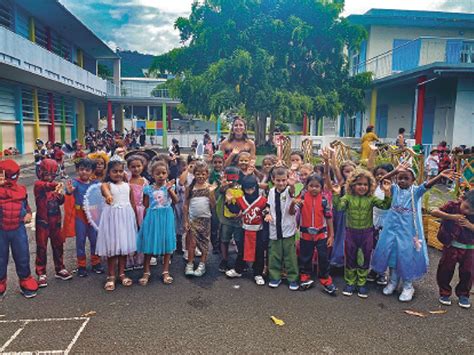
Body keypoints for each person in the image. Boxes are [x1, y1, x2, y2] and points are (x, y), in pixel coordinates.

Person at [371, 165, 457, 302]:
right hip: (391, 230)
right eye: (400, 178)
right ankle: (393, 281)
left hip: (408, 233)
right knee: (392, 254)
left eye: (406, 178)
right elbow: (383, 179)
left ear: (413, 180)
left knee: (406, 257)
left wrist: (440, 176)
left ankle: (407, 286)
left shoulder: (416, 192)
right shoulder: (394, 189)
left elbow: (427, 185)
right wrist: (395, 170)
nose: (402, 181)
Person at [331, 168, 392, 298]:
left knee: (365, 256)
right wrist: (336, 194)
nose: (362, 187)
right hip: (351, 233)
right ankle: (350, 282)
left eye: (365, 184)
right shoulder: (347, 197)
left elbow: (385, 206)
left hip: (367, 233)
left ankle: (362, 283)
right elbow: (339, 207)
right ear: (352, 185)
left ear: (370, 186)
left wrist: (387, 193)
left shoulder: (371, 198)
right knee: (350, 256)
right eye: (359, 184)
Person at [96, 158, 138, 291]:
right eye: (115, 171)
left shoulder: (128, 185)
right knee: (112, 249)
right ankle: (111, 275)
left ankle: (122, 273)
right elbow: (106, 193)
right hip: (112, 221)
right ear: (109, 172)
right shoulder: (106, 185)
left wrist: (135, 220)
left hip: (126, 219)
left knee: (123, 248)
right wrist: (108, 197)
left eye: (121, 171)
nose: (118, 174)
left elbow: (132, 203)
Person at [0, 160, 38, 298]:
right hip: (1, 230)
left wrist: (28, 214)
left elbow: (26, 206)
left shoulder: (21, 190)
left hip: (18, 229)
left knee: (22, 255)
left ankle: (25, 280)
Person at [137, 161, 178, 286]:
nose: (161, 176)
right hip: (153, 218)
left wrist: (170, 190)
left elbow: (175, 201)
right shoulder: (148, 188)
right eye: (158, 173)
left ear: (167, 174)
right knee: (149, 243)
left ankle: (165, 271)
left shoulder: (170, 187)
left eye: (164, 173)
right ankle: (146, 271)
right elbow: (145, 204)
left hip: (166, 217)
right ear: (152, 175)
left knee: (167, 243)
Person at [432, 190, 474, 309]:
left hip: (470, 247)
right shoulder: (452, 206)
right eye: (466, 207)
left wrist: (470, 226)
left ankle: (463, 294)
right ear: (462, 199)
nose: (467, 212)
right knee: (446, 268)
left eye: (471, 211)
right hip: (451, 245)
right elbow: (434, 212)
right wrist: (450, 217)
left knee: (468, 272)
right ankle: (444, 292)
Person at [295, 174, 336, 294]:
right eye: (311, 186)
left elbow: (329, 218)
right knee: (305, 256)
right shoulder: (302, 197)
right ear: (306, 186)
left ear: (321, 188)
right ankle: (305, 276)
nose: (314, 188)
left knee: (323, 257)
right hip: (305, 234)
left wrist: (331, 235)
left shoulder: (324, 200)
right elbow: (294, 213)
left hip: (321, 235)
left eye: (317, 186)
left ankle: (325, 279)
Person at [34, 159, 71, 288]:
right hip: (42, 221)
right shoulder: (39, 185)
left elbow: (60, 201)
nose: (49, 177)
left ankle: (60, 268)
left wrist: (61, 194)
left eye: (52, 175)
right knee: (41, 247)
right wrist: (56, 185)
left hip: (55, 221)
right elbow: (45, 186)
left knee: (58, 245)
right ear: (41, 173)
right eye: (47, 174)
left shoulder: (55, 187)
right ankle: (41, 272)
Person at [225, 175, 268, 284]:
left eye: (252, 188)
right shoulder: (240, 200)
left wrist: (267, 213)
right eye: (247, 189)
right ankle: (238, 270)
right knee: (241, 251)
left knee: (259, 253)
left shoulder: (262, 200)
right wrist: (229, 202)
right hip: (245, 230)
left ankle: (257, 273)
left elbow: (266, 211)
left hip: (258, 231)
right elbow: (235, 210)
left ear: (256, 187)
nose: (250, 191)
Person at [65, 159, 104, 277]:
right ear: (77, 170)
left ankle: (96, 262)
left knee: (94, 239)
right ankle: (81, 265)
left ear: (92, 171)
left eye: (87, 170)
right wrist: (69, 191)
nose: (84, 172)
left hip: (93, 215)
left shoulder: (95, 183)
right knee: (80, 240)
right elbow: (68, 191)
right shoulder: (75, 182)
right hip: (80, 215)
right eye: (81, 169)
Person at [264, 166, 299, 291]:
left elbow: (293, 192)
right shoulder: (271, 191)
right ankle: (275, 277)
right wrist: (267, 213)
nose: (281, 183)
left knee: (290, 256)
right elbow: (268, 206)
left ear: (287, 180)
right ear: (273, 180)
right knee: (274, 254)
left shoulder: (289, 190)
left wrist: (293, 185)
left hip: (287, 229)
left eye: (284, 180)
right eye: (278, 180)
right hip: (274, 228)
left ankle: (293, 278)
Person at [183, 161, 216, 277]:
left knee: (204, 243)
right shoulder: (190, 188)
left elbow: (213, 206)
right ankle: (190, 264)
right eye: (198, 174)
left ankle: (202, 264)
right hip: (193, 220)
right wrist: (186, 221)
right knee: (192, 244)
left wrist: (211, 194)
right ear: (194, 174)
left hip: (205, 220)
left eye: (203, 174)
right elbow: (186, 205)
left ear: (207, 174)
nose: (200, 176)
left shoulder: (209, 188)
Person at [217, 166, 244, 273]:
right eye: (230, 177)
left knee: (239, 240)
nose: (232, 180)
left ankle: (240, 259)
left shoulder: (241, 187)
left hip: (238, 218)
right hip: (226, 219)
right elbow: (221, 190)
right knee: (224, 239)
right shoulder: (225, 187)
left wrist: (242, 212)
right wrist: (225, 184)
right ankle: (224, 259)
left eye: (234, 177)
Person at [126, 155, 148, 270]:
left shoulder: (144, 181)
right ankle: (129, 259)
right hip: (128, 210)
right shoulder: (126, 180)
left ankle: (139, 258)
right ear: (129, 167)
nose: (136, 169)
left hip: (140, 210)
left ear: (143, 166)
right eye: (133, 167)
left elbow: (146, 198)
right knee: (129, 233)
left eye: (138, 166)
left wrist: (145, 211)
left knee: (140, 233)